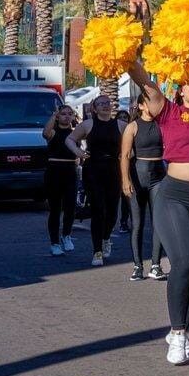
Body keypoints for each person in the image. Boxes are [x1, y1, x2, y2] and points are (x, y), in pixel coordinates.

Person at [129, 61, 189, 372]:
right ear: (180, 89)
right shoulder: (168, 110)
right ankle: (176, 333)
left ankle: (183, 331)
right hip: (174, 197)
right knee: (184, 260)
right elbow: (141, 77)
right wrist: (128, 41)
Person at [121, 93, 168, 280]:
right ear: (140, 106)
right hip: (138, 173)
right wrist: (125, 180)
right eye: (148, 103)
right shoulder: (132, 127)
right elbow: (124, 156)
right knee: (138, 223)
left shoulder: (162, 125)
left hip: (159, 174)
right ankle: (138, 265)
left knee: (159, 222)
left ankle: (156, 265)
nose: (152, 106)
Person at [74, 94, 124, 266]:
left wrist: (127, 156)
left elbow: (132, 144)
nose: (105, 106)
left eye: (107, 103)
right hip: (93, 169)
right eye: (100, 104)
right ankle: (97, 251)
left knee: (112, 211)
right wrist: (80, 153)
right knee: (97, 210)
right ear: (94, 108)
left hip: (113, 169)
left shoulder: (121, 125)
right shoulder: (88, 124)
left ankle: (106, 238)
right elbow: (70, 139)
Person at [42, 106, 81, 253]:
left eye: (70, 114)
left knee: (70, 207)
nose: (67, 116)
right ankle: (54, 243)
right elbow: (45, 133)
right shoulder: (53, 131)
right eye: (63, 114)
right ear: (58, 116)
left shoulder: (75, 133)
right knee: (55, 209)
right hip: (54, 171)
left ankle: (66, 235)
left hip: (71, 171)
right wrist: (54, 115)